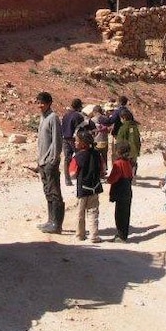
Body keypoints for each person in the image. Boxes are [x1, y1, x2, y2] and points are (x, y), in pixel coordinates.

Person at [68, 128, 104, 243]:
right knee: (93, 212)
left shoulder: (78, 157)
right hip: (95, 187)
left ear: (83, 143)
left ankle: (80, 234)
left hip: (82, 189)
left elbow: (72, 173)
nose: (75, 142)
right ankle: (94, 235)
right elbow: (103, 170)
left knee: (80, 213)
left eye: (77, 141)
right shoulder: (97, 154)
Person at [35, 92, 64, 234]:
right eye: (38, 102)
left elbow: (57, 142)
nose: (40, 105)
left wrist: (52, 159)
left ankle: (57, 224)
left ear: (49, 103)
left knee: (54, 192)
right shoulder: (43, 118)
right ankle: (50, 220)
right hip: (42, 162)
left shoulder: (53, 118)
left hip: (49, 162)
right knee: (47, 192)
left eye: (42, 103)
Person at [107, 140, 135, 242]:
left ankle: (121, 236)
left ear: (118, 151)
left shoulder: (118, 163)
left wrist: (108, 180)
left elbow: (113, 179)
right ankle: (123, 235)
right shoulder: (129, 162)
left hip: (120, 192)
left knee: (119, 215)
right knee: (125, 214)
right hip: (128, 191)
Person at [60, 98, 86, 186]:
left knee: (67, 159)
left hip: (65, 139)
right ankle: (80, 178)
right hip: (74, 139)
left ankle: (67, 180)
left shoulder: (65, 115)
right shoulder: (78, 116)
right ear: (79, 107)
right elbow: (81, 129)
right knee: (80, 157)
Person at [114, 109, 142, 175]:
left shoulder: (123, 128)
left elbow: (120, 141)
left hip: (126, 152)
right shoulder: (134, 126)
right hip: (134, 151)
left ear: (123, 118)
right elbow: (137, 140)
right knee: (132, 165)